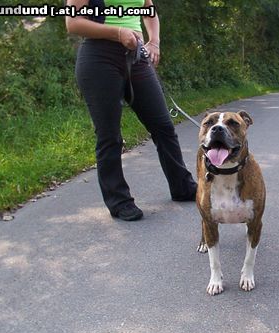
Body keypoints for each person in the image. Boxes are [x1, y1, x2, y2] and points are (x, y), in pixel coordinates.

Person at [66, 0, 197, 221]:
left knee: (163, 126)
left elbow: (149, 11)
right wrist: (117, 32)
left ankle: (182, 187)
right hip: (99, 58)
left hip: (136, 57)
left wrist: (154, 41)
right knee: (110, 135)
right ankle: (119, 201)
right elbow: (73, 23)